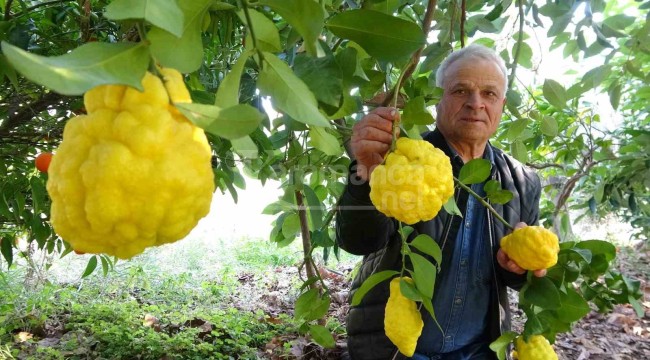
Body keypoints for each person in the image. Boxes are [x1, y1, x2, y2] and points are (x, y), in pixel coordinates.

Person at [336, 44, 545, 360]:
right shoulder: (401, 160)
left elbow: (520, 279)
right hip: (396, 349)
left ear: (501, 105)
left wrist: (519, 269)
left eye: (489, 94)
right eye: (461, 90)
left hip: (478, 351)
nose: (476, 104)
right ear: (438, 100)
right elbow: (358, 240)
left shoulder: (522, 182)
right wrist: (365, 173)